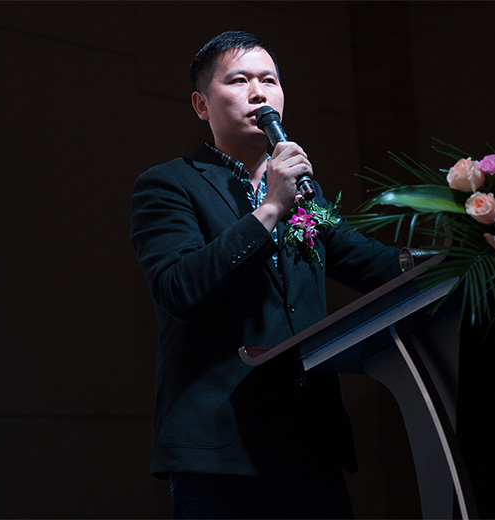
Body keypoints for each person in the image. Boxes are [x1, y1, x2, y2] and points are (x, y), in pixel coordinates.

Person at [130, 30, 402, 519]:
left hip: (310, 445)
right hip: (220, 448)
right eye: (239, 80)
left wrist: (474, 254)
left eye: (269, 80)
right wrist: (271, 208)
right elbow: (180, 290)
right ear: (201, 104)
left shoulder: (306, 194)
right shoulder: (170, 184)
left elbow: (374, 265)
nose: (259, 92)